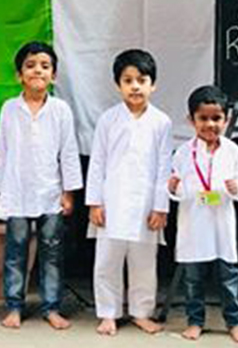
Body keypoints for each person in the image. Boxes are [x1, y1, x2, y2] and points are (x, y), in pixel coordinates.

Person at [0, 41, 83, 330]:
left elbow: (68, 152)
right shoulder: (9, 108)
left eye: (44, 66)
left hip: (50, 191)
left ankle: (51, 307)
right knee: (15, 250)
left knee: (52, 251)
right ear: (19, 75)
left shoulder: (61, 110)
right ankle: (14, 306)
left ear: (54, 75)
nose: (37, 71)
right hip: (16, 190)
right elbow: (1, 151)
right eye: (30, 66)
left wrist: (69, 192)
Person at [86, 48, 172, 336]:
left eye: (142, 80)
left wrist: (160, 206)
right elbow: (97, 162)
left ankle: (141, 312)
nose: (135, 86)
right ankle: (108, 313)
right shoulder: (108, 120)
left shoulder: (161, 122)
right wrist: (94, 202)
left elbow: (164, 166)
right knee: (107, 261)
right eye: (128, 80)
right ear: (118, 85)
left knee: (144, 262)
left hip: (146, 204)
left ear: (153, 85)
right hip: (111, 201)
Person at [168, 85, 238, 343]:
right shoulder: (183, 153)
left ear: (226, 119)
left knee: (228, 277)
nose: (210, 124)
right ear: (191, 120)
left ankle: (234, 322)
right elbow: (175, 186)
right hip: (194, 223)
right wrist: (174, 188)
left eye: (216, 118)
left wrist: (236, 188)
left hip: (221, 223)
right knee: (193, 279)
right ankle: (195, 321)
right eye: (203, 118)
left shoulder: (232, 150)